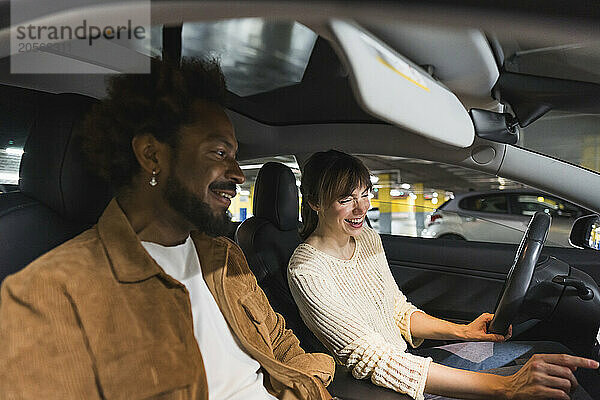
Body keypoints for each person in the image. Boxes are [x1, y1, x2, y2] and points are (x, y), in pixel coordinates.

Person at [0, 59, 334, 399]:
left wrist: (307, 384)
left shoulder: (224, 255)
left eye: (234, 156)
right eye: (220, 152)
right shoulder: (60, 294)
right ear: (152, 155)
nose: (236, 174)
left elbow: (279, 340)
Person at [287, 150, 598, 400]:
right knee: (559, 387)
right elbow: (376, 360)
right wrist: (507, 387)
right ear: (314, 203)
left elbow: (397, 310)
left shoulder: (366, 238)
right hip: (387, 385)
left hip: (410, 360)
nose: (361, 208)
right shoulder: (307, 272)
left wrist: (464, 332)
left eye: (365, 194)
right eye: (346, 199)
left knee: (556, 357)